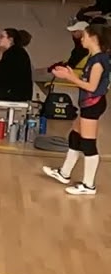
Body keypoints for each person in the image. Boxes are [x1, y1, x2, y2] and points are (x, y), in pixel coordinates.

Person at [45, 22, 108, 195]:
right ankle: (64, 173)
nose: (82, 39)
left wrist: (69, 78)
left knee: (88, 144)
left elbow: (92, 87)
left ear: (93, 37)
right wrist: (70, 74)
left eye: (84, 36)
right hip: (88, 104)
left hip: (92, 104)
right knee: (74, 135)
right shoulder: (93, 57)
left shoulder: (98, 61)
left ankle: (89, 185)